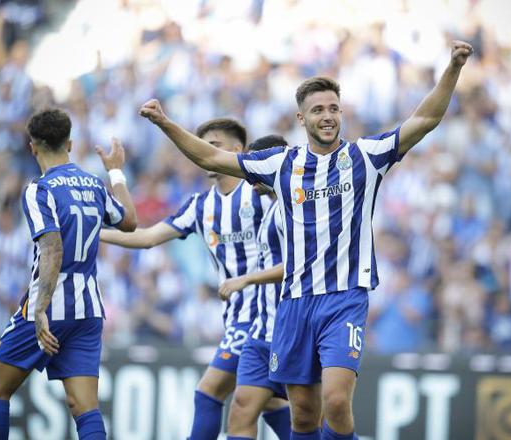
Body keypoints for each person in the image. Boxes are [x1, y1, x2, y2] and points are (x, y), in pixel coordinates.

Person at [138, 40, 473, 439]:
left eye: (333, 108)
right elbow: (211, 158)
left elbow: (425, 119)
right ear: (302, 118)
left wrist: (453, 67)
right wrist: (165, 123)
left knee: (336, 402)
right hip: (294, 304)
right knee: (303, 415)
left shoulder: (366, 156)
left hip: (345, 297)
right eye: (318, 110)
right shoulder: (282, 163)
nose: (327, 116)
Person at [99, 119, 288, 440]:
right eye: (202, 145)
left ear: (238, 150)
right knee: (270, 403)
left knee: (209, 392)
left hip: (263, 316)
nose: (204, 152)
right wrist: (95, 233)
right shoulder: (201, 206)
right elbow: (147, 237)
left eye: (214, 146)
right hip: (236, 318)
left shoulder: (259, 191)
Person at [0, 108, 137, 440]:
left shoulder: (39, 189)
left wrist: (40, 309)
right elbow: (129, 221)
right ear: (70, 143)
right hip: (88, 309)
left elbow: (52, 249)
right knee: (85, 407)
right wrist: (116, 171)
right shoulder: (94, 184)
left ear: (32, 147)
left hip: (50, 306)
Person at [218, 135, 290, 440]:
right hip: (261, 333)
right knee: (241, 410)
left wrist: (246, 279)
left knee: (311, 418)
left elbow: (299, 265)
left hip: (291, 332)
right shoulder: (270, 208)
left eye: (255, 169)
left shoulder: (293, 207)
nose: (250, 178)